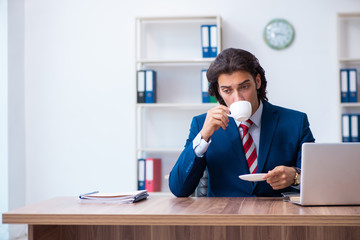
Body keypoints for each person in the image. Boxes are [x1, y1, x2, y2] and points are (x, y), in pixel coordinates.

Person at [169, 48, 315, 197]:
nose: (237, 98)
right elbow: (179, 189)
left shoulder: (295, 122)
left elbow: (318, 181)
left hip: (277, 216)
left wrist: (296, 176)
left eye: (244, 87)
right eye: (227, 90)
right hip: (225, 217)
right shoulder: (203, 124)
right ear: (219, 91)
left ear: (257, 82)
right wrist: (203, 137)